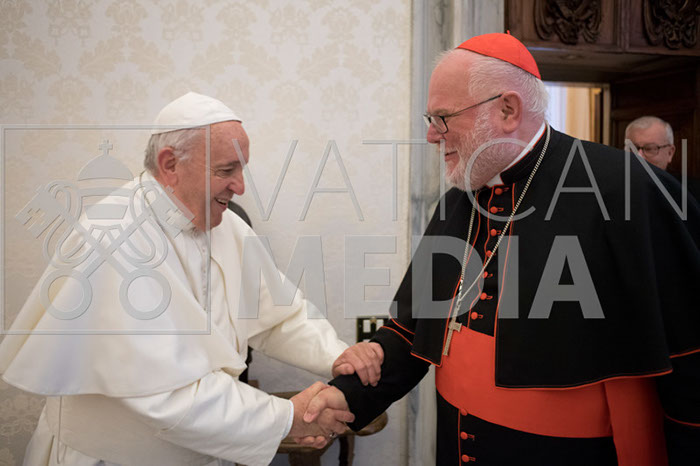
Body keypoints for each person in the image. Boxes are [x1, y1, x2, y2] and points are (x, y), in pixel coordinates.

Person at [305, 34, 700, 465]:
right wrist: (344, 397)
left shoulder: (625, 190)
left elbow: (689, 357)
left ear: (508, 110)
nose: (431, 135)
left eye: (442, 118)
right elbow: (412, 331)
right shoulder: (459, 199)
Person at [0, 92, 380, 466]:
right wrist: (286, 418)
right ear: (170, 164)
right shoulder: (113, 237)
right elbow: (165, 392)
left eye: (241, 169)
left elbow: (277, 314)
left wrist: (335, 355)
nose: (240, 186)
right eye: (226, 170)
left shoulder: (224, 224)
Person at [625, 115, 700, 201]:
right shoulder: (615, 185)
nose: (638, 156)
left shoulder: (691, 193)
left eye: (649, 148)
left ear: (670, 153)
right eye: (632, 148)